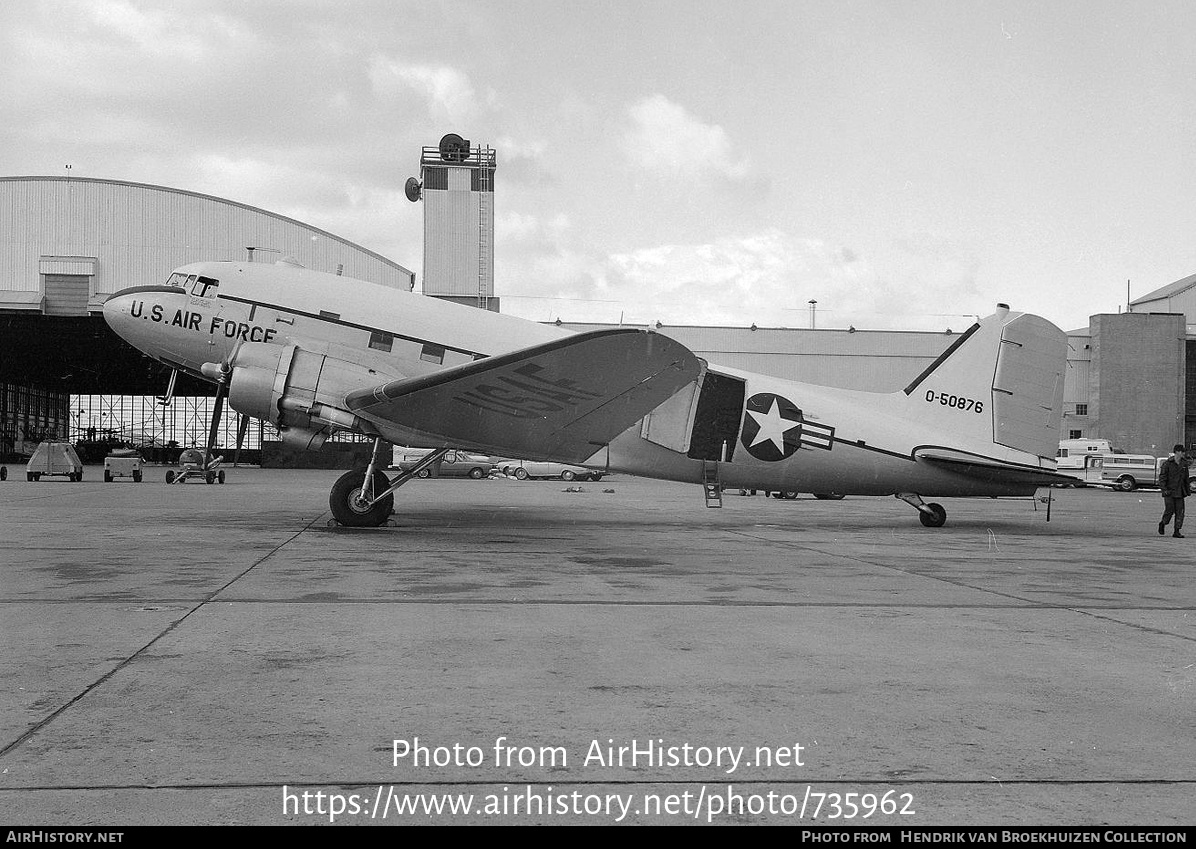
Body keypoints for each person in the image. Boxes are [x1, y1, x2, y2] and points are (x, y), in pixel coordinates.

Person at [1157, 444, 1190, 538]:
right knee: (1169, 510)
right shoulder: (1168, 463)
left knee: (1180, 512)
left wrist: (1187, 491)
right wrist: (1164, 489)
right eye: (1182, 451)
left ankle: (1177, 530)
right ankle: (1163, 523)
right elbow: (1162, 478)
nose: (1183, 453)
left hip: (1180, 491)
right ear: (1177, 452)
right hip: (1169, 491)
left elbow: (1186, 478)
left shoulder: (1184, 464)